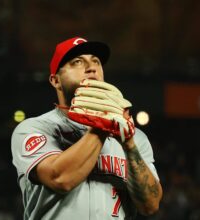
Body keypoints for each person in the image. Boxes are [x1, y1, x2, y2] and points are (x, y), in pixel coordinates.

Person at [11, 36, 163, 219]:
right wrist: (101, 125)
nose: (91, 67)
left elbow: (150, 206)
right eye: (77, 62)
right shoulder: (34, 128)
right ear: (55, 80)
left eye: (96, 62)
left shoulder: (135, 138)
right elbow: (60, 179)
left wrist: (129, 145)